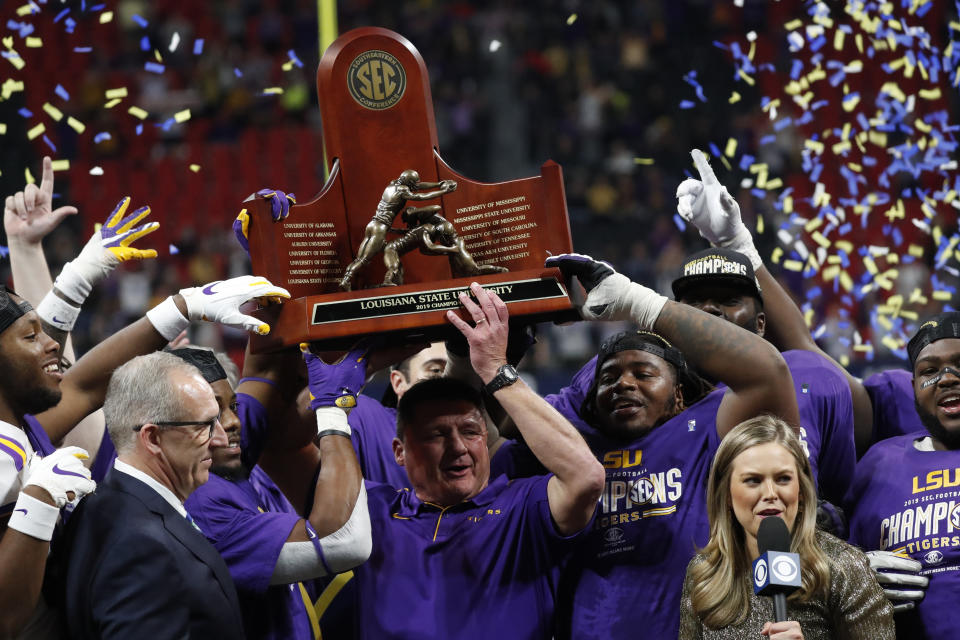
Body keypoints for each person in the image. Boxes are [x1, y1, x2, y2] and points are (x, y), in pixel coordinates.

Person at [506, 252, 800, 640]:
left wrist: (634, 301)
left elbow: (769, 371)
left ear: (679, 395)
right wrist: (498, 360)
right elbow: (498, 433)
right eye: (608, 378)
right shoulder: (570, 443)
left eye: (643, 374)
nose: (624, 383)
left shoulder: (706, 428)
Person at [348, 281, 605, 640]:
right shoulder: (374, 511)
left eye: (470, 432)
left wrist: (497, 371)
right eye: (437, 435)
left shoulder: (522, 505)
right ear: (400, 452)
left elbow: (587, 477)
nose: (458, 447)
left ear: (487, 438)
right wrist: (339, 388)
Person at [181, 345, 372, 640]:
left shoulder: (222, 454)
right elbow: (345, 541)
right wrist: (333, 409)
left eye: (233, 407)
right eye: (211, 415)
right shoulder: (200, 503)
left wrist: (368, 353)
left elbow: (265, 369)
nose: (233, 422)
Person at [56, 352, 245, 639]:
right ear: (153, 438)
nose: (219, 439)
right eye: (205, 426)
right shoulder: (140, 546)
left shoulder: (108, 504)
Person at [679, 415, 894, 639]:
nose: (771, 494)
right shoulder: (704, 573)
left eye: (783, 479)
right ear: (726, 496)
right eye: (753, 480)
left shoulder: (842, 567)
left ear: (801, 491)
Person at [845, 312, 960, 639]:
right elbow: (834, 561)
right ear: (914, 388)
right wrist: (856, 576)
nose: (947, 379)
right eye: (930, 372)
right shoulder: (877, 464)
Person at [0, 287, 96, 639]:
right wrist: (40, 498)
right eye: (31, 335)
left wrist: (182, 308)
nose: (52, 343)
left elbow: (89, 384)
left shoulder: (21, 428)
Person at [339, 170, 456, 290]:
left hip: (372, 224)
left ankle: (347, 280)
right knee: (364, 260)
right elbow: (420, 196)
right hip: (380, 228)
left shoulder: (393, 184)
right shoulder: (403, 190)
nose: (416, 185)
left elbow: (417, 186)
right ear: (409, 182)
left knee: (361, 258)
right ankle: (346, 281)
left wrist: (438, 184)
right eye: (414, 182)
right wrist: (443, 191)